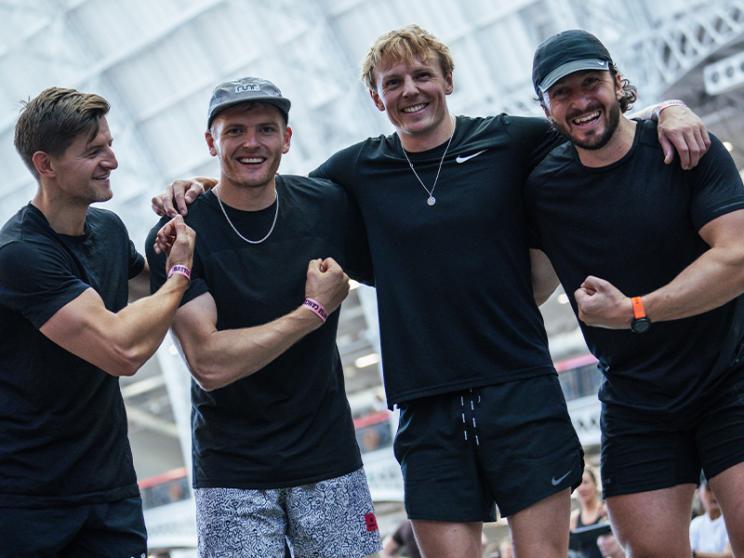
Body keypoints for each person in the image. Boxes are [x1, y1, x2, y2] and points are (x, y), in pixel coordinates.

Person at [152, 25, 708, 558]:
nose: (410, 90)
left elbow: (594, 123)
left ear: (448, 79)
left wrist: (667, 110)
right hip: (425, 403)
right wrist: (199, 186)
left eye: (421, 75)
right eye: (392, 82)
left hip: (520, 386)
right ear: (377, 98)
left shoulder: (509, 140)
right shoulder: (354, 172)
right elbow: (263, 184)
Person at [526, 29, 744, 557]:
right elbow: (526, 289)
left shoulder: (686, 150)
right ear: (545, 109)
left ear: (616, 83)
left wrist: (636, 311)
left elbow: (736, 257)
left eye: (591, 83)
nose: (580, 101)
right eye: (563, 93)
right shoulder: (542, 188)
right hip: (636, 400)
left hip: (730, 377)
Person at [146, 77, 380, 558]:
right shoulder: (181, 234)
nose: (251, 143)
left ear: (287, 140)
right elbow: (209, 364)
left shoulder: (326, 205)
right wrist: (312, 311)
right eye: (235, 131)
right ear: (211, 142)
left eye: (266, 130)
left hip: (329, 458)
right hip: (233, 472)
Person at [0, 87, 195, 557]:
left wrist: (196, 198)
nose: (112, 160)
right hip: (26, 502)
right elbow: (121, 350)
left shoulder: (107, 230)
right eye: (93, 152)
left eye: (109, 144)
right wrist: (182, 272)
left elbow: (152, 292)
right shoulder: (21, 254)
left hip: (109, 491)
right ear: (45, 165)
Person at [570, 468, 608, 558]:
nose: (582, 488)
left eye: (586, 483)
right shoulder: (573, 519)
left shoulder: (606, 511)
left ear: (595, 485)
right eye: (578, 484)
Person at [690, 479, 733, 558]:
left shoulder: (731, 522)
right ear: (699, 493)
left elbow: (728, 556)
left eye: (717, 489)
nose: (714, 494)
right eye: (708, 489)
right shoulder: (695, 524)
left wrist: (694, 554)